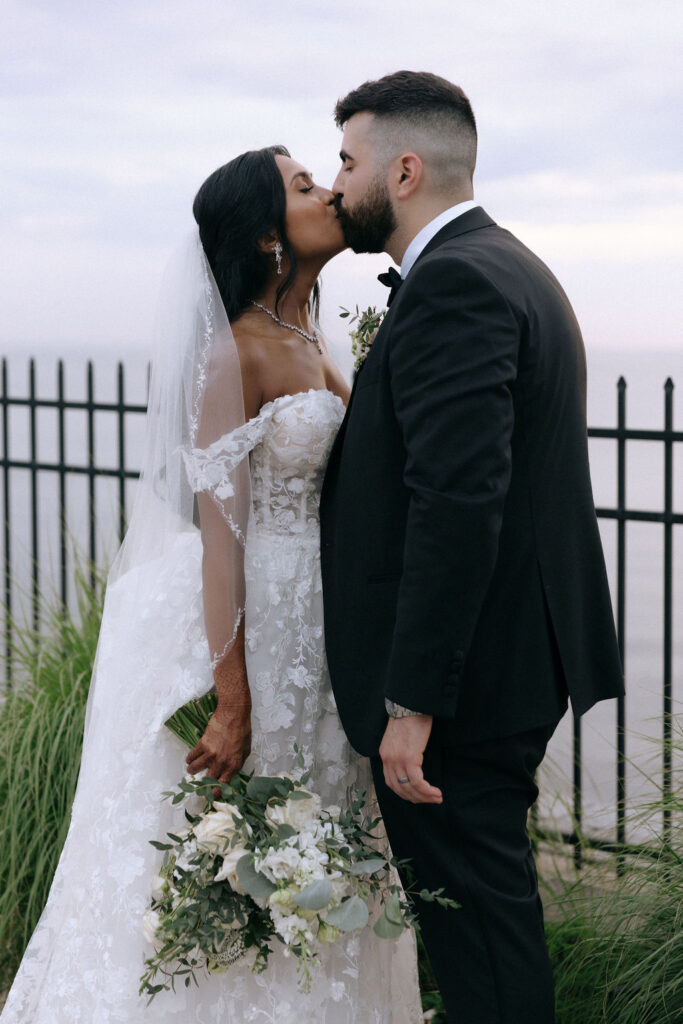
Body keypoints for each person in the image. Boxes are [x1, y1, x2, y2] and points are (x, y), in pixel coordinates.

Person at [0, 146, 422, 1023]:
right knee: (263, 831)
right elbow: (219, 544)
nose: (331, 192)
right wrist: (231, 699)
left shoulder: (310, 333)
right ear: (270, 236)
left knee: (327, 825)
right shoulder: (236, 353)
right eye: (307, 187)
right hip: (263, 616)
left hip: (322, 623)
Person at [320, 71, 624, 1024]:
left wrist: (412, 698)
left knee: (483, 942)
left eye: (346, 161)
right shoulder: (509, 263)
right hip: (500, 663)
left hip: (467, 684)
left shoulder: (455, 280)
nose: (335, 185)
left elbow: (457, 500)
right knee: (487, 925)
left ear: (403, 170)